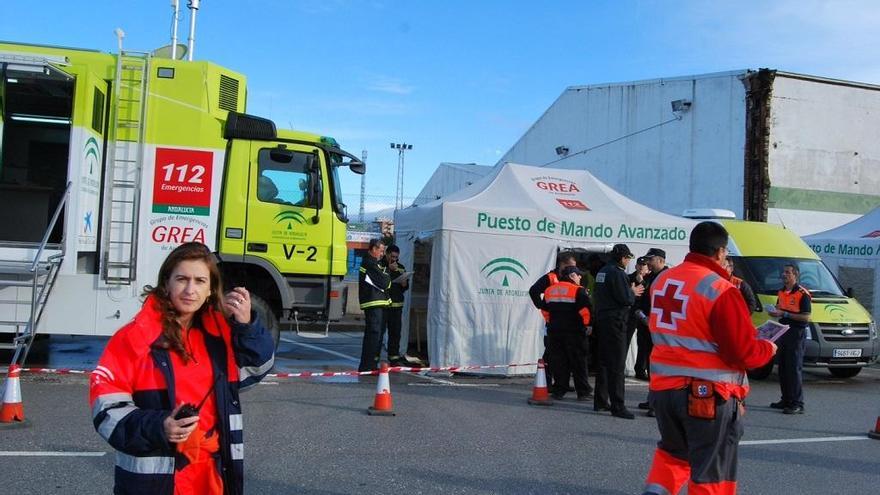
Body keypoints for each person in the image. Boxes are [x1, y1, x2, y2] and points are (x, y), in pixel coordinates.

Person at [89, 242, 275, 495]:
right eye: (181, 279)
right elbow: (105, 411)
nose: (190, 290)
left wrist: (246, 326)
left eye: (200, 281)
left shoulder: (219, 337)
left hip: (212, 477)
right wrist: (160, 426)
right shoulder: (135, 337)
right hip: (154, 483)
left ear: (211, 289)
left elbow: (256, 369)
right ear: (166, 284)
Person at [641, 222, 777, 495]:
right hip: (707, 394)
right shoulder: (721, 290)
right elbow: (742, 352)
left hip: (664, 389)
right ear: (720, 252)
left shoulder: (664, 280)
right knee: (712, 470)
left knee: (673, 455)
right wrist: (767, 349)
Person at [593, 243, 644, 419]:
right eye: (628, 257)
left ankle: (600, 401)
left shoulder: (603, 271)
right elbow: (625, 299)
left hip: (603, 320)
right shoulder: (617, 273)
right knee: (617, 365)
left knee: (604, 362)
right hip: (616, 322)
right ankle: (618, 405)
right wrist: (633, 291)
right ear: (623, 258)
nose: (628, 260)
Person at [543, 265, 594, 401]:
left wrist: (550, 322)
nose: (580, 277)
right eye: (578, 275)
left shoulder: (549, 290)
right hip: (575, 332)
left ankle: (559, 390)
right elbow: (586, 311)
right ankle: (583, 392)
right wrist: (588, 325)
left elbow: (544, 310)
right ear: (572, 276)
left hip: (555, 332)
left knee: (559, 362)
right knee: (578, 363)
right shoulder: (578, 291)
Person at [529, 252, 578, 389]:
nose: (574, 269)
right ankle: (547, 382)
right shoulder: (551, 277)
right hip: (553, 322)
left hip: (568, 323)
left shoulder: (572, 277)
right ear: (563, 264)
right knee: (551, 353)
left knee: (566, 353)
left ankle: (562, 382)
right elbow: (533, 291)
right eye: (571, 266)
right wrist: (542, 306)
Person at [768, 264, 811, 415]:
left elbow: (806, 316)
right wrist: (775, 313)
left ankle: (797, 403)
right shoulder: (781, 291)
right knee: (783, 367)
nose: (784, 275)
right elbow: (779, 308)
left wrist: (785, 314)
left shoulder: (802, 293)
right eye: (783, 272)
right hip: (783, 331)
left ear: (795, 275)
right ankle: (786, 399)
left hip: (796, 333)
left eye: (787, 272)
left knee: (794, 368)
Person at [636, 248, 669, 415]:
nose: (648, 262)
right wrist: (643, 318)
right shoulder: (649, 278)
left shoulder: (670, 277)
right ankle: (652, 399)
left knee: (660, 367)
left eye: (651, 259)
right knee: (650, 364)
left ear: (661, 260)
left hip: (663, 329)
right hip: (647, 326)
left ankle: (657, 403)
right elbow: (638, 300)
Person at [358, 238, 392, 372]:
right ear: (373, 249)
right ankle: (368, 366)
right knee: (373, 335)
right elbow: (384, 282)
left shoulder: (374, 263)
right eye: (381, 250)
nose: (382, 253)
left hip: (378, 303)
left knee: (376, 336)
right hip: (373, 303)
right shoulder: (369, 263)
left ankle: (371, 364)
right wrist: (388, 275)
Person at [380, 244, 410, 366]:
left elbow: (405, 287)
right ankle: (375, 356)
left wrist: (404, 284)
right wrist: (389, 270)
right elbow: (380, 281)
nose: (394, 260)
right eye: (392, 257)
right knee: (379, 332)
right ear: (387, 254)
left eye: (396, 257)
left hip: (397, 306)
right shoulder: (380, 266)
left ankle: (394, 357)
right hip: (383, 305)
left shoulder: (401, 268)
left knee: (395, 333)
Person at [627, 256, 650, 379]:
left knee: (643, 344)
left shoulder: (649, 279)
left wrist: (642, 282)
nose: (641, 267)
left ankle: (641, 369)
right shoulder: (629, 277)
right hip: (630, 313)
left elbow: (648, 293)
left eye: (644, 265)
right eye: (639, 265)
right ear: (636, 266)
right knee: (626, 340)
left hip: (642, 315)